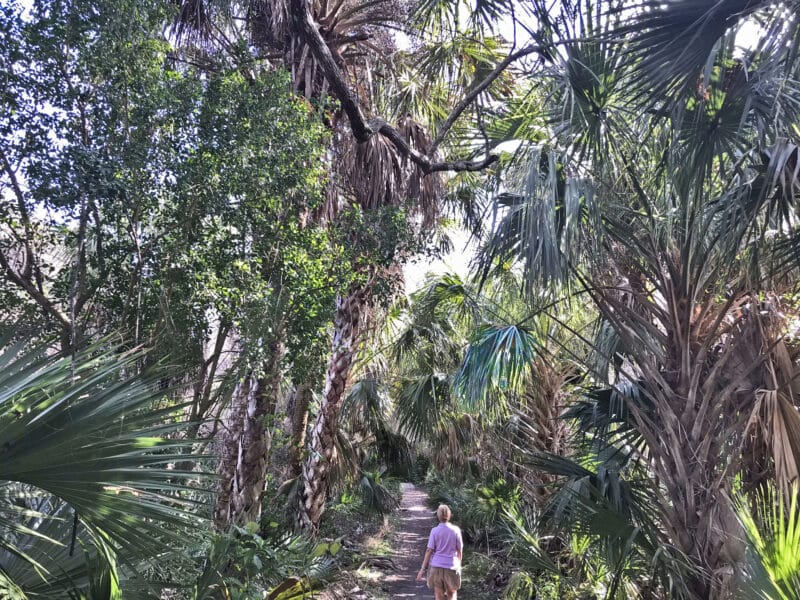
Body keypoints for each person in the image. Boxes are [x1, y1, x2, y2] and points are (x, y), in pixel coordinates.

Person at [416, 504, 463, 600]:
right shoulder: (456, 530)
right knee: (452, 594)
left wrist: (422, 569)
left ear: (438, 516)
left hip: (436, 567)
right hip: (451, 566)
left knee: (438, 594)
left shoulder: (434, 531)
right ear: (449, 515)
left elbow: (429, 550)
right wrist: (459, 565)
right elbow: (459, 550)